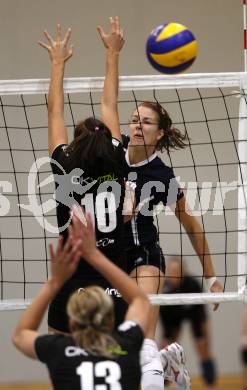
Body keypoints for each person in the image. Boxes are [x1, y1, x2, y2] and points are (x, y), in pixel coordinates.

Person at [97, 17, 223, 390]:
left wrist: (212, 277)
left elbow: (192, 226)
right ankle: (170, 360)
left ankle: (158, 360)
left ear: (160, 132)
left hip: (144, 257)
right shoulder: (112, 151)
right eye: (134, 119)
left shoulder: (164, 178)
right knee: (115, 350)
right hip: (107, 256)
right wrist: (112, 54)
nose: (136, 125)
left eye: (146, 122)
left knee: (140, 348)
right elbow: (108, 100)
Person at [38, 20, 128, 334]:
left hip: (71, 278)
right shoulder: (118, 158)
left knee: (64, 362)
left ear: (74, 142)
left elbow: (55, 113)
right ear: (107, 140)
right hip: (112, 278)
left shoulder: (63, 162)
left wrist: (57, 62)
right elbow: (109, 103)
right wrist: (113, 54)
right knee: (114, 361)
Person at [12, 208, 150, 390]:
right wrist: (94, 255)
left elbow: (20, 335)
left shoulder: (59, 350)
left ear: (72, 322)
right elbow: (141, 300)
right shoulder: (127, 343)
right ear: (111, 320)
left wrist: (54, 282)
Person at [159, 258, 217, 389]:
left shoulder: (193, 285)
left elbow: (200, 315)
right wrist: (168, 337)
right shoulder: (164, 289)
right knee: (165, 349)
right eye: (171, 271)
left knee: (203, 346)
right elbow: (165, 320)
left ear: (183, 272)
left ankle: (210, 384)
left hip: (193, 314)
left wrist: (202, 332)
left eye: (177, 271)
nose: (174, 274)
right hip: (172, 317)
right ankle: (164, 383)